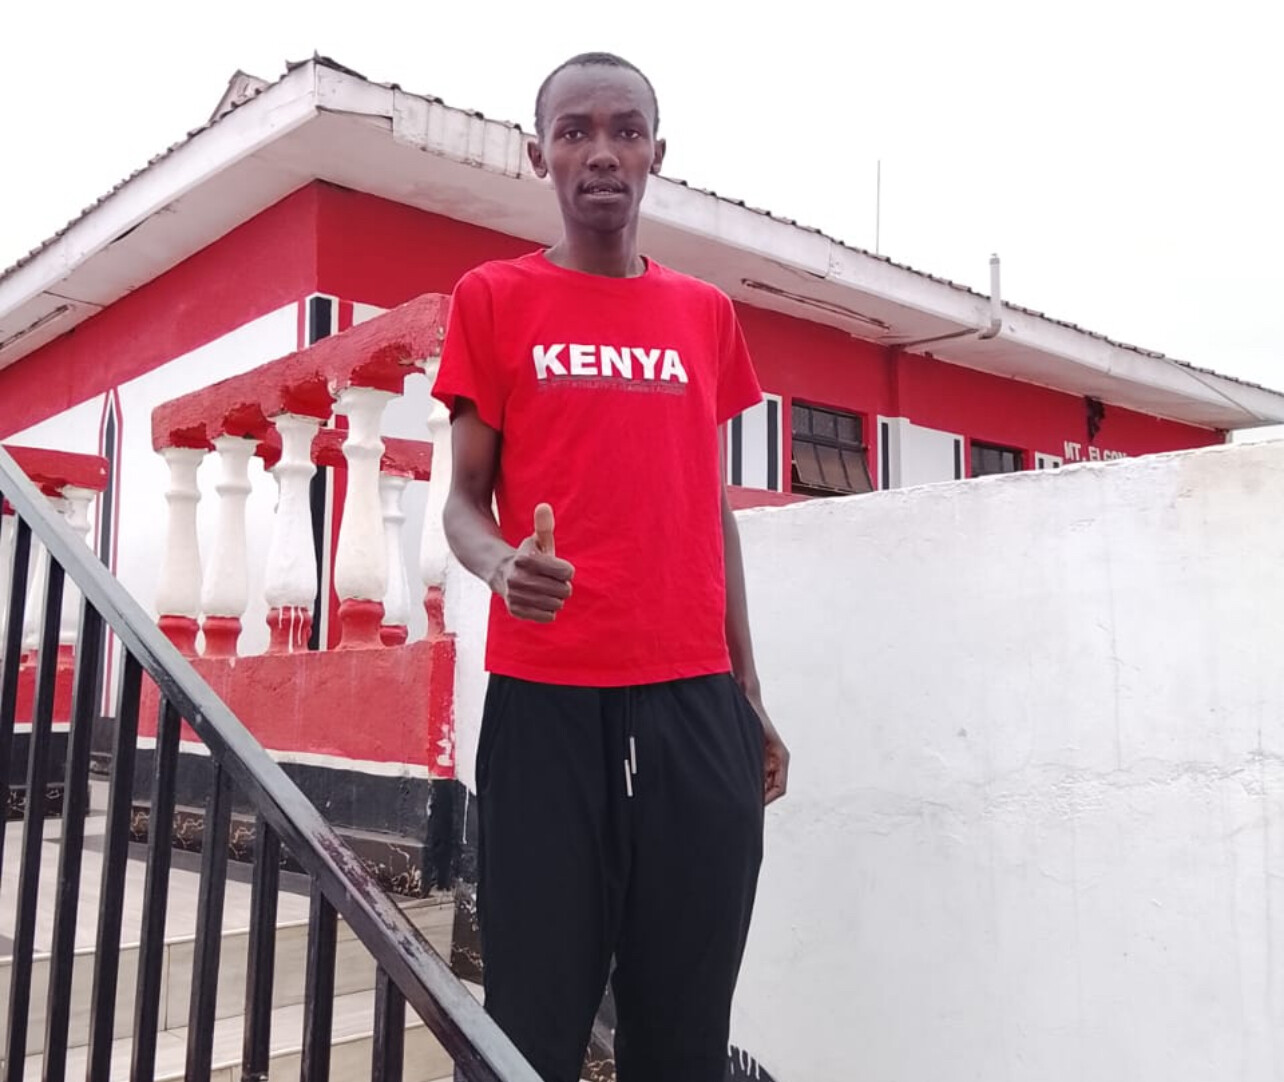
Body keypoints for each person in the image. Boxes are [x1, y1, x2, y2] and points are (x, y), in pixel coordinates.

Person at [434, 51, 790, 1082]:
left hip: (695, 708)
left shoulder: (704, 314)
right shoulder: (492, 298)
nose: (601, 152)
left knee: (683, 1036)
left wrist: (748, 694)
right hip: (547, 708)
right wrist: (502, 566)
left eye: (625, 131)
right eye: (576, 131)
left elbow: (709, 509)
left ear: (655, 154)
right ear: (538, 154)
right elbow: (462, 501)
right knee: (531, 1032)